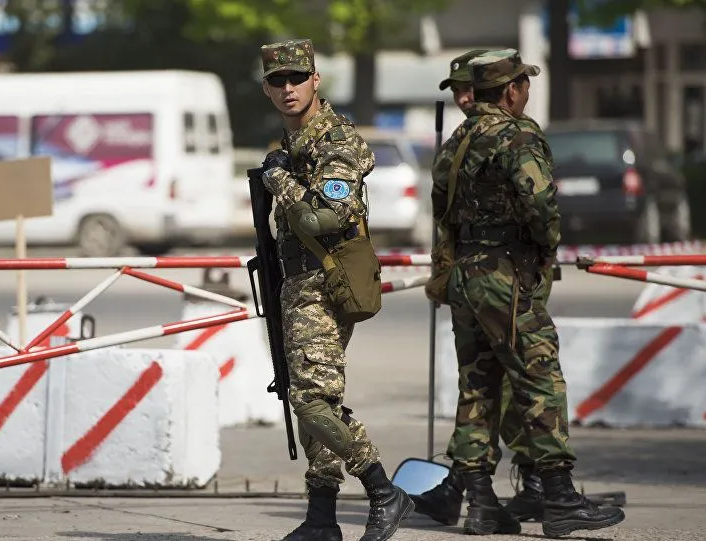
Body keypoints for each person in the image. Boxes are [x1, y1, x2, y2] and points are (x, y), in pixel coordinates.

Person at [429, 48, 625, 538]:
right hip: (505, 272)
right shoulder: (518, 133)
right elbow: (539, 201)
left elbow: (441, 207)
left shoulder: (458, 139)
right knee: (540, 378)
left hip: (467, 275)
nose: (527, 92)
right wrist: (544, 245)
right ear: (512, 89)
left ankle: (480, 504)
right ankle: (558, 498)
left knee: (479, 383)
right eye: (524, 84)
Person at [257, 38, 412, 541]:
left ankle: (383, 490)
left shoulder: (337, 141)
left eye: (297, 78)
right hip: (297, 283)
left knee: (310, 399)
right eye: (277, 81)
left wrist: (279, 181)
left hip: (328, 280)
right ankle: (322, 516)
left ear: (315, 80)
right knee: (307, 393)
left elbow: (326, 215)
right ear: (266, 88)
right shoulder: (289, 148)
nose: (288, 89)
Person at [411, 48, 547, 528]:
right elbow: (445, 219)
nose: (466, 99)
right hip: (495, 275)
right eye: (458, 92)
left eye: (471, 88)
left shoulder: (475, 139)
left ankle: (475, 488)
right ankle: (527, 485)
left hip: (496, 273)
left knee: (491, 383)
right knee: (509, 381)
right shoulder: (478, 140)